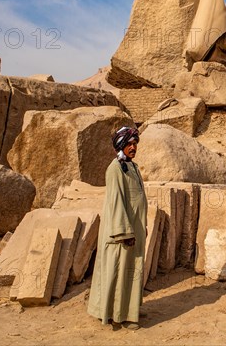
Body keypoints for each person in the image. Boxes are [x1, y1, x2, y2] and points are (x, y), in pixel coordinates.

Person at [87, 126, 147, 330]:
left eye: (135, 143)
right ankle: (117, 316)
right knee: (118, 272)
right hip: (121, 233)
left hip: (134, 231)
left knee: (131, 272)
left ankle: (130, 311)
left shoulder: (133, 167)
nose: (133, 147)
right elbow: (116, 202)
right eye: (130, 144)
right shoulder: (114, 168)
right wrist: (125, 232)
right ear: (121, 145)